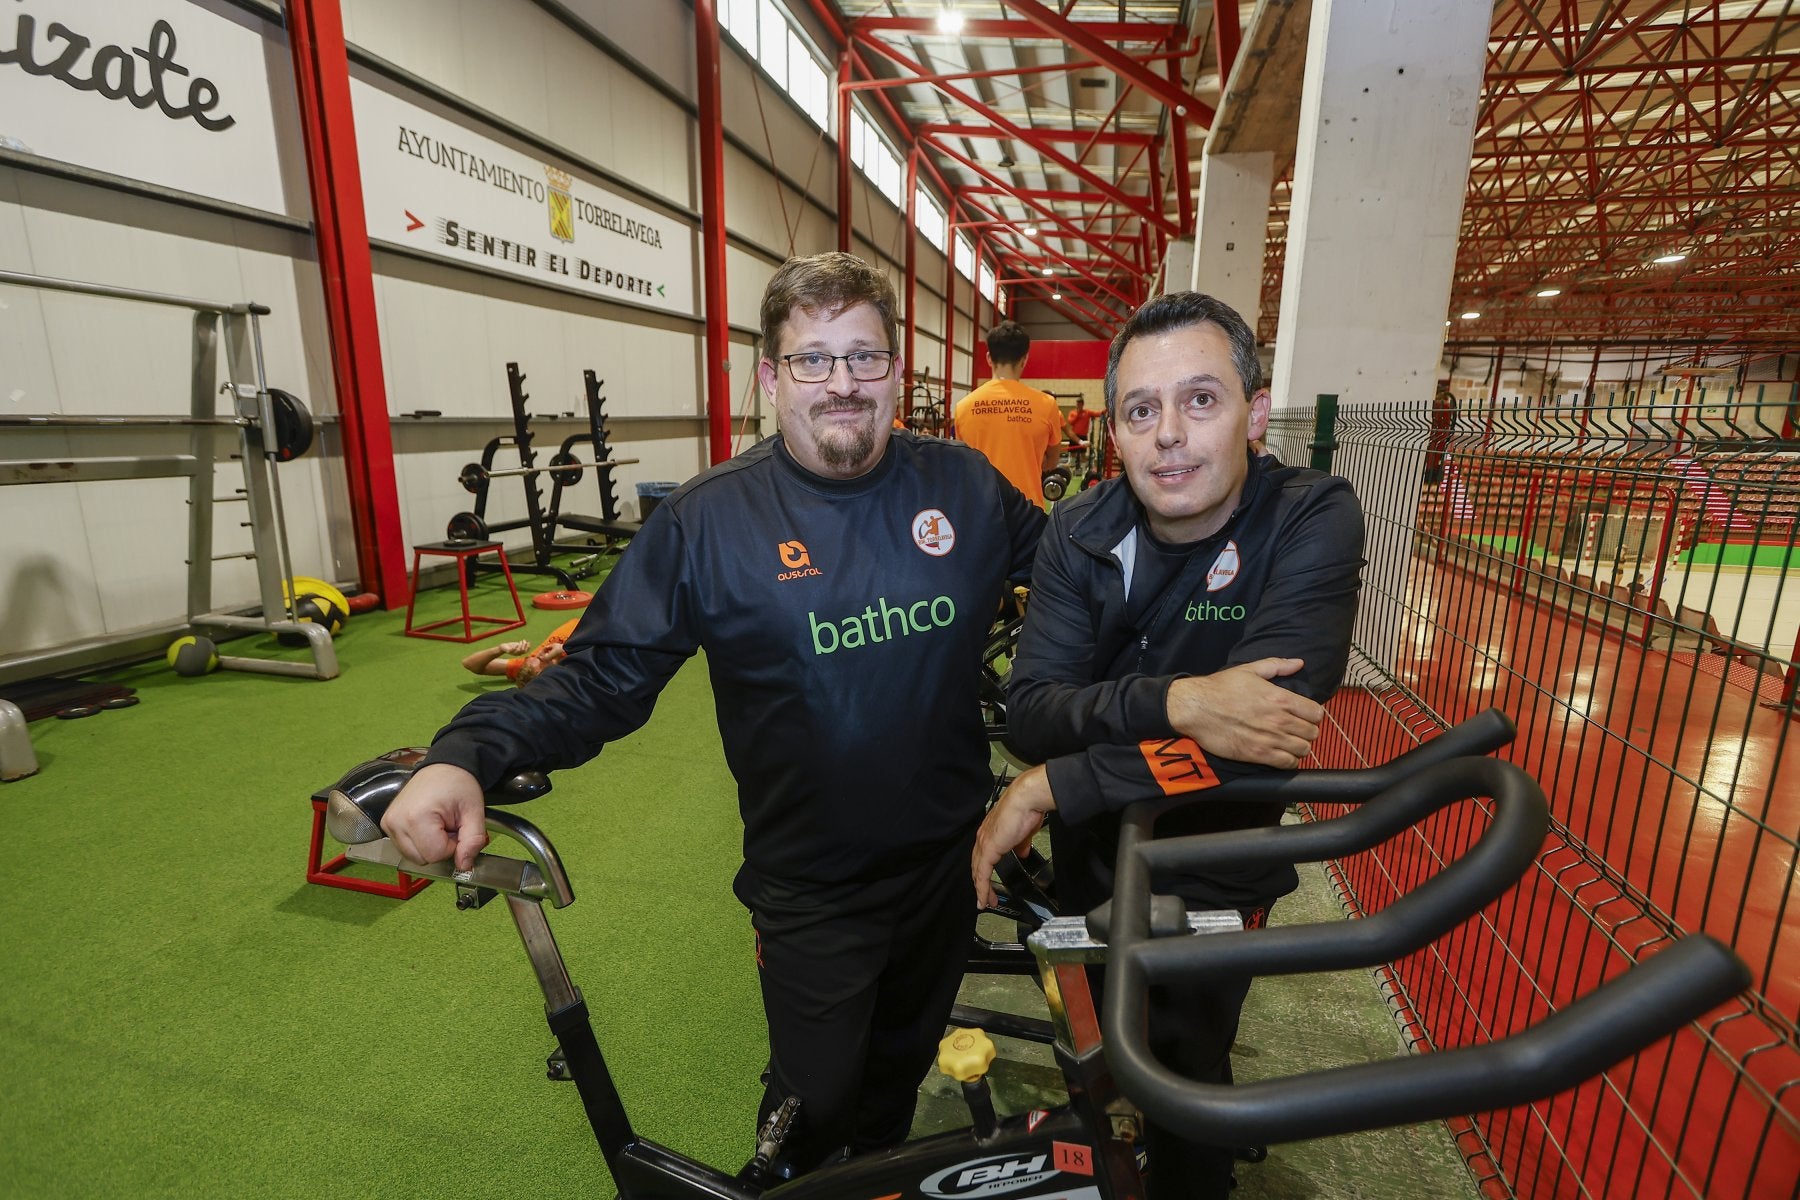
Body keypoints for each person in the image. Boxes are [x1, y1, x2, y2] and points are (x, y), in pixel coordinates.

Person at [380, 252, 1047, 1174]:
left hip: (947, 859)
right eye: (813, 360)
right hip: (812, 883)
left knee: (896, 1086)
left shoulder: (966, 488)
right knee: (815, 1110)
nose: (842, 383)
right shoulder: (707, 521)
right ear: (772, 378)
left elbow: (1081, 573)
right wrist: (467, 754)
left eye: (865, 357)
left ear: (898, 370)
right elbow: (600, 677)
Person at [970, 291, 1365, 1200]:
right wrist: (1183, 699)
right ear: (1114, 430)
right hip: (1096, 855)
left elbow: (1264, 738)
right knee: (1102, 1038)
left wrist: (1062, 780)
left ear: (1254, 413)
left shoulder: (1311, 516)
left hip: (1218, 862)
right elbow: (1032, 708)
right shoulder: (1081, 528)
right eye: (1142, 411)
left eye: (1201, 400)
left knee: (1186, 1075)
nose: (1170, 436)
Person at [953, 320, 1065, 505]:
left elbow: (963, 463)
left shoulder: (964, 407)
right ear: (1024, 359)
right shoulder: (1047, 404)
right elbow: (1052, 461)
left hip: (981, 511)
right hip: (1028, 513)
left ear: (989, 358)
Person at [459, 617, 579, 684]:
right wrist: (563, 649)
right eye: (542, 659)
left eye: (534, 656)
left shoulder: (528, 667)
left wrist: (500, 649)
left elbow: (469, 663)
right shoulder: (577, 666)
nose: (541, 652)